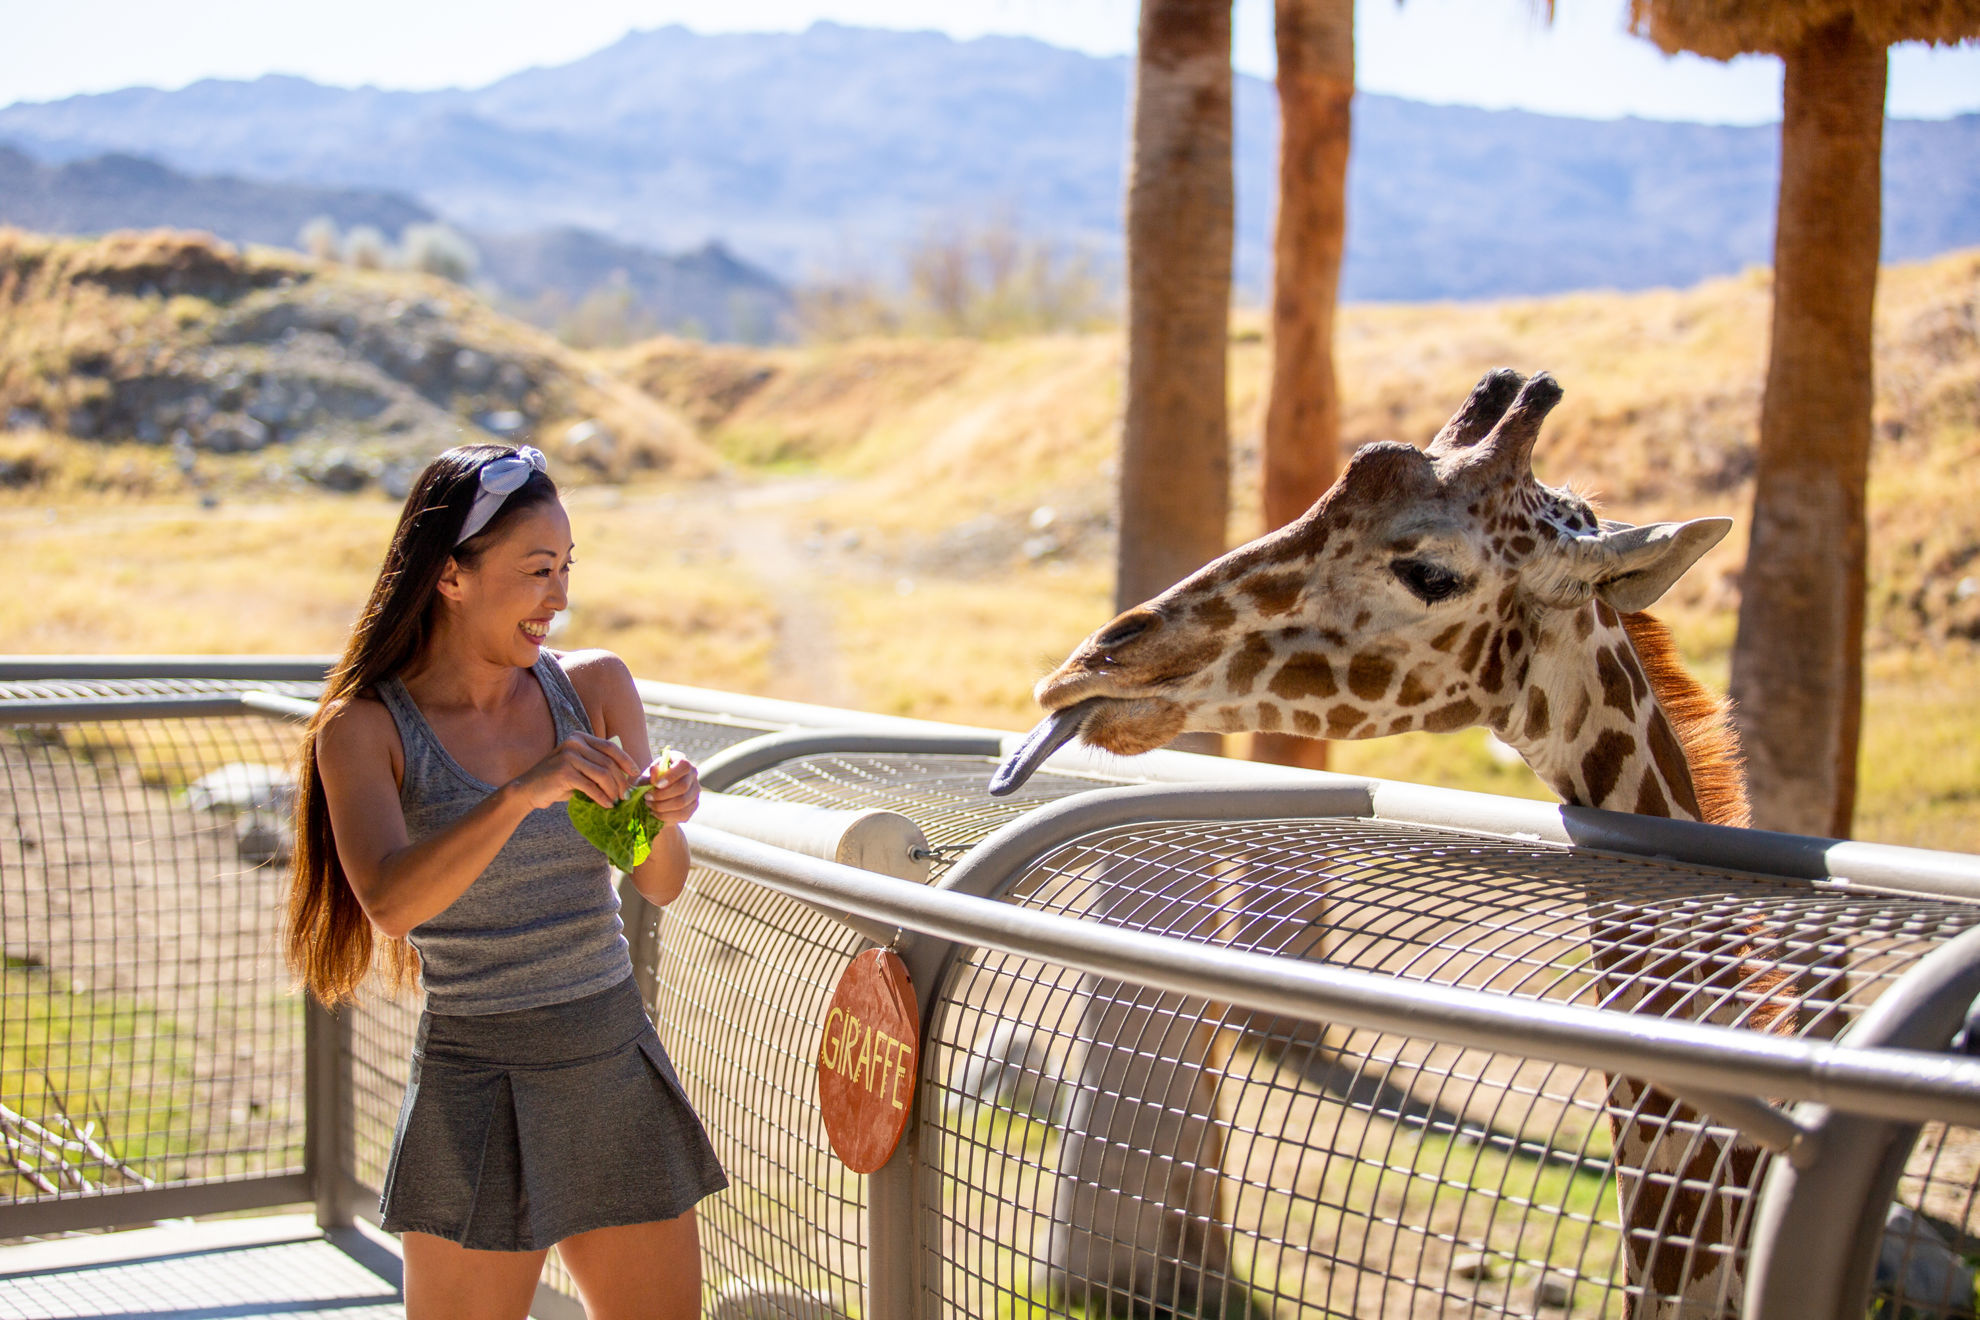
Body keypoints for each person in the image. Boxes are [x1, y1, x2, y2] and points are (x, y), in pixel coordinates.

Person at [285, 442, 726, 1320]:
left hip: (609, 1059)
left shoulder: (595, 687)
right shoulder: (363, 729)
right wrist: (520, 795)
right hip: (472, 1082)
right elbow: (391, 903)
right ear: (450, 576)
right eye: (536, 571)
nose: (558, 598)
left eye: (566, 569)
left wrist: (662, 811)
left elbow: (663, 883)